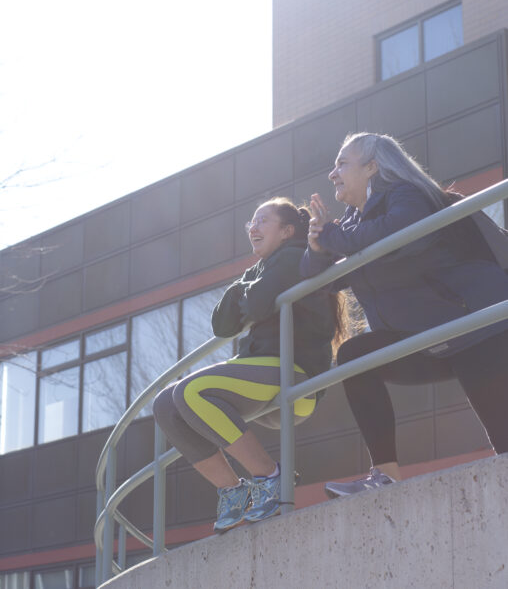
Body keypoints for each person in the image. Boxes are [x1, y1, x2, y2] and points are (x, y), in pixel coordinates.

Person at [301, 131, 508, 497]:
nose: (332, 173)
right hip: (421, 338)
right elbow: (320, 280)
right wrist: (317, 245)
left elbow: (395, 234)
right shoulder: (351, 223)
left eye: (342, 163)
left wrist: (332, 237)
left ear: (372, 167)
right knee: (354, 357)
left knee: (503, 439)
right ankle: (386, 476)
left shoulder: (408, 196)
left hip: (472, 327)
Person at [153, 197, 342, 531]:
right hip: (262, 377)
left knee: (190, 392)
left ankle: (271, 476)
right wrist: (245, 287)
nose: (253, 227)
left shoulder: (292, 256)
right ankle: (232, 490)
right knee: (165, 406)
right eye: (250, 222)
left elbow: (253, 306)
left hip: (295, 377)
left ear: (286, 231)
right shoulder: (259, 269)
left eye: (262, 221)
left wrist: (245, 292)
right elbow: (222, 325)